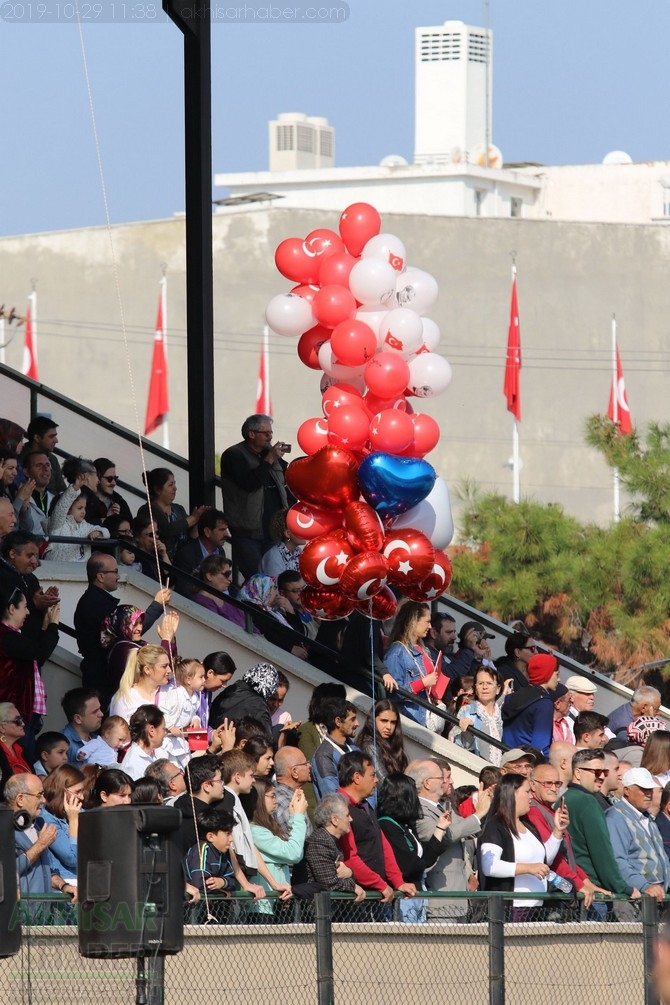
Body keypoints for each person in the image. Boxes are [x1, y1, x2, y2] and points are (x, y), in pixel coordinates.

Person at [74, 552, 166, 700]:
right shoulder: (95, 603)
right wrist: (157, 605)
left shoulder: (92, 600)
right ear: (101, 576)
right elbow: (132, 630)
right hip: (104, 678)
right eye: (115, 571)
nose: (118, 576)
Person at [478, 772, 568, 921]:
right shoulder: (496, 826)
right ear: (512, 794)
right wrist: (528, 868)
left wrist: (558, 831)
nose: (531, 797)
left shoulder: (529, 826)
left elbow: (544, 861)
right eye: (527, 792)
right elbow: (489, 866)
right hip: (512, 910)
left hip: (537, 908)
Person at [336, 751, 416, 912]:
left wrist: (397, 881)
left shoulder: (365, 806)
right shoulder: (339, 808)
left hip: (375, 896)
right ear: (356, 777)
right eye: (372, 775)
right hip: (353, 902)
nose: (377, 779)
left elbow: (383, 845)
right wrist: (380, 884)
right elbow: (350, 858)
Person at [562, 748, 639, 917]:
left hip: (577, 888)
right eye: (596, 771)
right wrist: (622, 887)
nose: (602, 776)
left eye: (604, 771)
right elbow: (601, 852)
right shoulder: (587, 801)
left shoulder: (565, 798)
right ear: (577, 773)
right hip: (594, 892)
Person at [410, 758, 488, 919]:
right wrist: (478, 813)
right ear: (427, 783)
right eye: (443, 778)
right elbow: (443, 837)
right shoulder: (417, 810)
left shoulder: (443, 806)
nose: (450, 781)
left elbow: (469, 829)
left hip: (458, 897)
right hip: (440, 899)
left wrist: (486, 805)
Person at [528, 760, 609, 910]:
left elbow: (567, 855)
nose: (553, 788)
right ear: (533, 785)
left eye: (557, 783)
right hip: (550, 897)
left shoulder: (549, 810)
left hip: (565, 888)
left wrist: (585, 880)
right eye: (548, 783)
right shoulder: (534, 811)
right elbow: (552, 858)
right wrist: (579, 884)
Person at [220, 414, 293, 581]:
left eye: (271, 433)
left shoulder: (272, 456)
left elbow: (287, 482)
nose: (270, 437)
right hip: (248, 532)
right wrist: (268, 460)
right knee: (257, 580)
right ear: (251, 434)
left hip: (273, 531)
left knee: (277, 580)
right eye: (266, 433)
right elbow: (249, 483)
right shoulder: (234, 455)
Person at [377, 772, 448, 923]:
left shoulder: (406, 825)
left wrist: (440, 828)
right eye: (413, 794)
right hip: (403, 897)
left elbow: (425, 859)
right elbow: (408, 865)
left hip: (417, 893)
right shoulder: (387, 824)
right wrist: (420, 863)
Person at [0, 586, 59, 760]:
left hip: (24, 715)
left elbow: (35, 656)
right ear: (12, 609)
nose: (27, 612)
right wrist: (53, 625)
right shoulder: (5, 636)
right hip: (13, 717)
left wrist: (46, 627)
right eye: (25, 607)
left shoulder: (13, 636)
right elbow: (40, 652)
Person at [5, 773, 73, 917]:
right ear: (20, 799)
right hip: (18, 922)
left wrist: (63, 886)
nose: (43, 800)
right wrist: (40, 845)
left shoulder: (38, 826)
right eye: (39, 795)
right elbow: (6, 871)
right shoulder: (4, 830)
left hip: (43, 920)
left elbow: (48, 872)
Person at [606, 767, 669, 903]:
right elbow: (617, 860)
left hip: (656, 896)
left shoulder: (647, 817)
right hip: (634, 898)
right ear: (627, 790)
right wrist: (644, 885)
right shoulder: (616, 818)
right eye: (643, 789)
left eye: (650, 789)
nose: (649, 794)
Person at [249, 777, 308, 918]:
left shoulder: (267, 828)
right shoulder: (255, 831)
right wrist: (299, 816)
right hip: (261, 907)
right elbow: (293, 853)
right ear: (258, 799)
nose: (276, 800)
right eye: (272, 795)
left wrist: (294, 815)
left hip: (276, 903)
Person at [100, 602, 179, 697]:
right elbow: (156, 665)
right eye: (134, 624)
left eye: (141, 623)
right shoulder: (121, 649)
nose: (139, 628)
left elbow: (168, 665)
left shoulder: (138, 644)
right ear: (121, 624)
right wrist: (166, 639)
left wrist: (171, 637)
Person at [136, 467, 210, 561]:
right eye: (170, 485)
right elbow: (167, 529)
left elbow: (191, 536)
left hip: (184, 562)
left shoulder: (178, 508)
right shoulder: (148, 510)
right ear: (158, 490)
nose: (175, 488)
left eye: (174, 484)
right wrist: (193, 518)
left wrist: (198, 520)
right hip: (162, 562)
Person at [304, 792, 365, 902]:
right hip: (315, 912)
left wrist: (349, 872)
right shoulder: (320, 841)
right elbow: (329, 883)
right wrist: (353, 886)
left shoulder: (331, 840)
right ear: (335, 820)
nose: (351, 819)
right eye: (347, 815)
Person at [385, 601, 437, 726]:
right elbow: (395, 693)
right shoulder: (397, 652)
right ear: (413, 622)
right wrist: (423, 683)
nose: (430, 626)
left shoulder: (422, 649)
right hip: (409, 719)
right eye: (427, 621)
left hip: (423, 717)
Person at [236, 574, 308, 659]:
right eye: (272, 588)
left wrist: (291, 611)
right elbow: (268, 632)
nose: (276, 593)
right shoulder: (252, 608)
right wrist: (290, 648)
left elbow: (300, 633)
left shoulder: (272, 610)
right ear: (262, 589)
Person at [501, 653, 559, 758]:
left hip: (505, 756)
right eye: (557, 674)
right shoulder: (544, 703)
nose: (558, 680)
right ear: (547, 673)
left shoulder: (514, 695)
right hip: (525, 763)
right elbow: (540, 747)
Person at [40, 763, 88, 885]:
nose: (81, 797)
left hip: (87, 878)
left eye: (83, 791)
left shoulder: (81, 812)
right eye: (77, 792)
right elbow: (72, 858)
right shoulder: (46, 818)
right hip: (65, 884)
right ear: (62, 791)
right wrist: (73, 821)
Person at [451, 665, 507, 766]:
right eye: (480, 683)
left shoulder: (502, 714)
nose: (485, 687)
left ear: (498, 689)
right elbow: (459, 745)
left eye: (489, 683)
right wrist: (469, 732)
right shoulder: (467, 711)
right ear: (476, 689)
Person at [209, 662, 279, 740]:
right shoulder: (259, 706)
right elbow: (266, 740)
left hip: (209, 736)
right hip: (228, 746)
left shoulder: (233, 689)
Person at [158, 656, 206, 768]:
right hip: (165, 738)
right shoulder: (176, 694)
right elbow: (162, 711)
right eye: (201, 677)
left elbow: (193, 713)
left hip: (179, 739)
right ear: (188, 680)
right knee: (166, 766)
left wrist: (195, 719)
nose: (204, 680)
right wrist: (170, 726)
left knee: (187, 766)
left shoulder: (195, 698)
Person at [44, 480, 109, 561]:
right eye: (79, 508)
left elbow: (106, 532)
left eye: (84, 508)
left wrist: (99, 533)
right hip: (57, 570)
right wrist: (74, 489)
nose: (83, 511)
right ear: (67, 509)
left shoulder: (85, 526)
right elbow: (61, 508)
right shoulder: (58, 524)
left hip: (81, 571)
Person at [109, 644, 173, 723]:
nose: (169, 670)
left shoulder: (172, 690)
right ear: (147, 670)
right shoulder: (124, 699)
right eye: (164, 666)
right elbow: (117, 732)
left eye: (169, 665)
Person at [311, 697, 360, 799]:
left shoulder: (354, 749)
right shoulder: (324, 756)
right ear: (338, 721)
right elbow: (333, 797)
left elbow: (370, 781)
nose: (357, 723)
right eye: (352, 719)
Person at [355, 700, 408, 785]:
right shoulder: (369, 745)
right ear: (373, 720)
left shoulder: (393, 743)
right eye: (384, 721)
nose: (389, 727)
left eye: (393, 722)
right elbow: (383, 783)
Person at [191, 554, 248, 630]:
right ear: (209, 576)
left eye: (230, 574)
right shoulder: (202, 601)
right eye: (227, 574)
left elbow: (250, 626)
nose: (230, 579)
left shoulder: (229, 600)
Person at [120, 704, 172, 780]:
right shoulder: (134, 764)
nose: (165, 733)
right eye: (163, 729)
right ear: (152, 730)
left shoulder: (147, 754)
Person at [173, 508, 230, 575]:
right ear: (207, 532)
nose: (227, 534)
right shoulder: (186, 555)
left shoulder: (220, 551)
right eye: (222, 530)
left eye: (226, 529)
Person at [273, 746, 314, 836]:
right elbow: (298, 841)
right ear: (294, 772)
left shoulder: (292, 795)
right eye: (305, 763)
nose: (309, 766)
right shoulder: (284, 803)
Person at [20, 416, 66, 495]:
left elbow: (62, 489)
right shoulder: (20, 457)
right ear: (37, 438)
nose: (56, 440)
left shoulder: (52, 459)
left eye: (47, 465)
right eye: (51, 436)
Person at [60, 688, 104, 764]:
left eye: (99, 709)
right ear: (78, 719)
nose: (101, 714)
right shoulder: (61, 744)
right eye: (95, 711)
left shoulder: (98, 739)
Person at [16, 451, 54, 537]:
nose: (45, 468)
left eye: (48, 465)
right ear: (26, 472)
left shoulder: (55, 498)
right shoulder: (18, 497)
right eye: (39, 465)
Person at [259, 508, 304, 578]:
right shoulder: (274, 556)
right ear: (287, 534)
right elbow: (276, 586)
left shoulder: (298, 551)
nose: (305, 532)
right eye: (300, 528)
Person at [90, 457, 133, 526]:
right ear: (97, 477)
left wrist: (120, 518)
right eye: (109, 479)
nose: (114, 483)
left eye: (115, 478)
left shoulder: (119, 501)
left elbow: (130, 526)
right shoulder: (84, 500)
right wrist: (107, 519)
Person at [0, 701, 32, 787]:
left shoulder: (22, 749)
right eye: (18, 720)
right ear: (2, 727)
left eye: (21, 719)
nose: (23, 724)